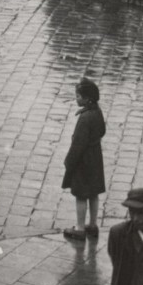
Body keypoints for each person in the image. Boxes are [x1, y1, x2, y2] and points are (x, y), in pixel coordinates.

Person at [62, 78, 105, 241]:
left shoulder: (85, 118)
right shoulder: (97, 112)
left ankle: (79, 228)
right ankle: (92, 225)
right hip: (95, 157)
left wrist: (69, 162)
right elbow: (102, 131)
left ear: (87, 98)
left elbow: (78, 145)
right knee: (93, 193)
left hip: (84, 161)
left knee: (81, 195)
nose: (76, 98)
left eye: (78, 96)